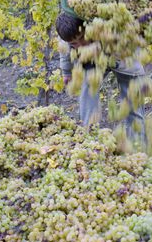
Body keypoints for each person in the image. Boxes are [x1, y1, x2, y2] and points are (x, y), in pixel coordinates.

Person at [56, 11, 146, 144]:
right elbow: (64, 49)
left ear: (88, 26)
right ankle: (90, 141)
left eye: (82, 38)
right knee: (87, 92)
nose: (81, 46)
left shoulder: (108, 24)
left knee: (133, 102)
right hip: (91, 61)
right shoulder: (67, 33)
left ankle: (138, 144)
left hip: (122, 56)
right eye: (74, 43)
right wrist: (66, 72)